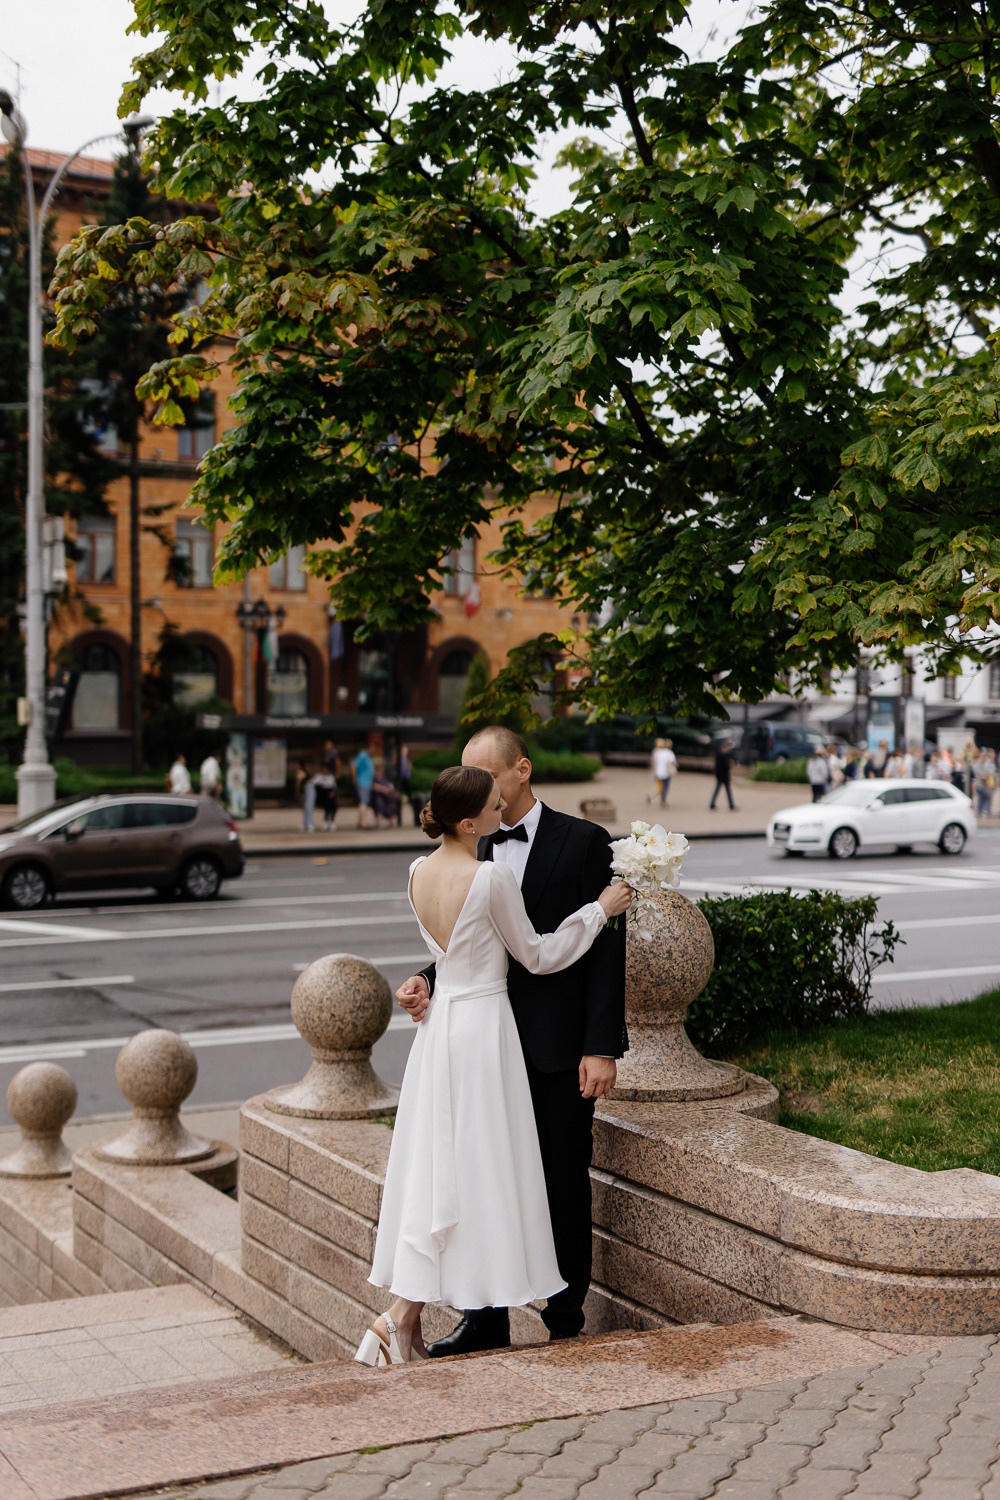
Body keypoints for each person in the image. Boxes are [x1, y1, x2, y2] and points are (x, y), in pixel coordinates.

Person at [359, 763, 632, 1366]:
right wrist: (598, 911)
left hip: (437, 1036)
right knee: (483, 1173)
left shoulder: (415, 872)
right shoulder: (488, 879)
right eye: (490, 804)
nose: (499, 808)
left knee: (442, 1168)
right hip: (485, 1031)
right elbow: (536, 956)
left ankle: (403, 1320)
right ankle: (404, 1317)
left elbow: (451, 952)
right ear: (468, 821)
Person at [709, 738, 736, 810]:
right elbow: (726, 766)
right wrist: (730, 764)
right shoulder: (722, 756)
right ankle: (730, 805)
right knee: (722, 791)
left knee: (722, 791)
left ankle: (730, 804)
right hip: (722, 776)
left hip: (722, 776)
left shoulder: (721, 756)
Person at [650, 738, 677, 808]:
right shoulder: (669, 753)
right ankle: (663, 800)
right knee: (665, 787)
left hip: (658, 772)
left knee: (660, 786)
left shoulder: (658, 752)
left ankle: (653, 795)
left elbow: (654, 762)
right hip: (666, 773)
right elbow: (673, 762)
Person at [353, 745, 375, 829]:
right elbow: (354, 765)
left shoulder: (367, 756)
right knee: (363, 802)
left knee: (363, 802)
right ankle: (363, 822)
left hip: (367, 782)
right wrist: (355, 780)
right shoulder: (362, 755)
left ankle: (360, 821)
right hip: (363, 782)